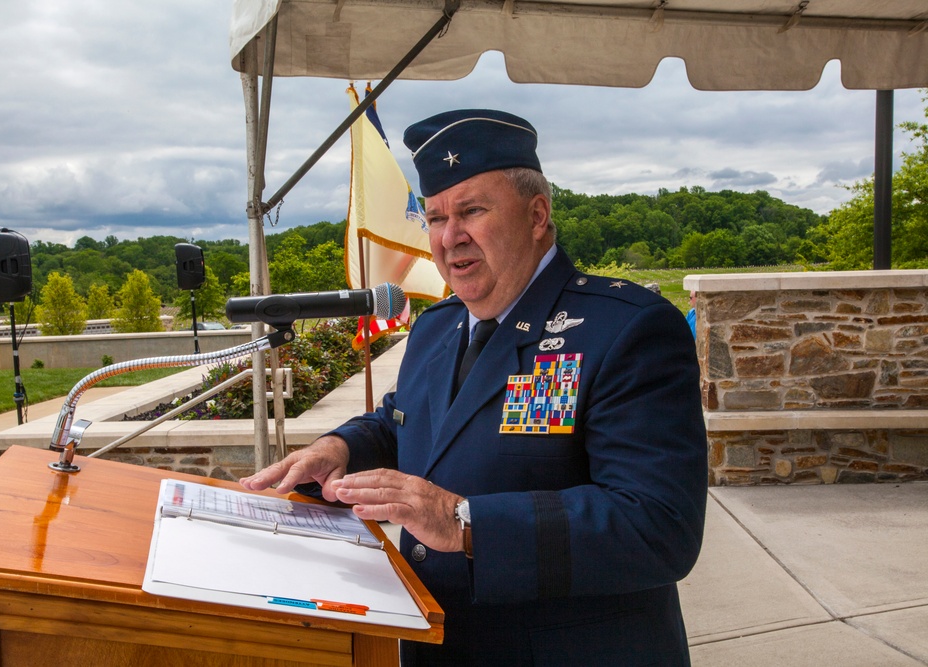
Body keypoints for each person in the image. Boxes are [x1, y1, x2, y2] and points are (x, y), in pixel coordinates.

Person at [241, 109, 707, 666]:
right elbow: (405, 421)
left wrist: (466, 523)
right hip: (437, 645)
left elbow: (658, 525)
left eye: (472, 211)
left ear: (537, 215)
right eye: (435, 217)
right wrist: (337, 448)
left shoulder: (626, 328)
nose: (448, 237)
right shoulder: (437, 326)